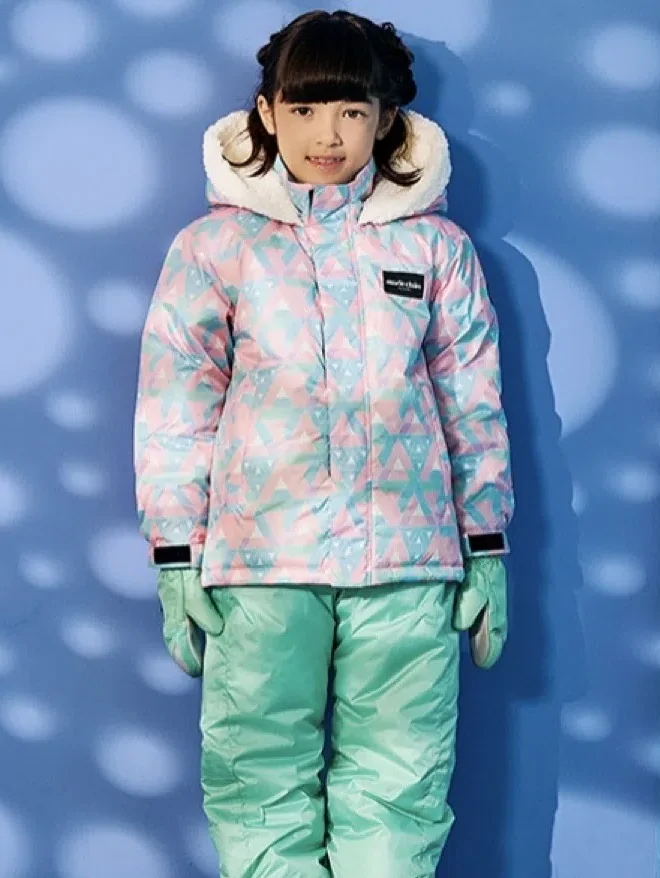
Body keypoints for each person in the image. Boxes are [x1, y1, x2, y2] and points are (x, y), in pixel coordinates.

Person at [133, 9, 514, 877]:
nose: (327, 135)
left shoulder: (436, 249)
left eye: (350, 109)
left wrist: (486, 541)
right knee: (257, 778)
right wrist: (175, 548)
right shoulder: (216, 248)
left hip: (409, 561)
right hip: (261, 563)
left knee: (402, 783)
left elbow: (472, 403)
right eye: (303, 110)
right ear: (268, 113)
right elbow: (176, 402)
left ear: (387, 118)